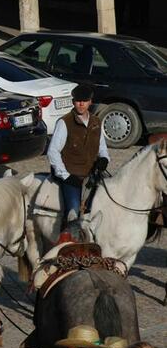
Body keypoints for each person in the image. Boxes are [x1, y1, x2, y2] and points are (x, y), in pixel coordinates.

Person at [47, 84, 109, 242]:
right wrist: (65, 176)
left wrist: (104, 159)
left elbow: (102, 147)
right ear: (73, 102)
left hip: (91, 174)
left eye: (84, 101)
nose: (81, 104)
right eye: (78, 101)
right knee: (73, 212)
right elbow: (53, 151)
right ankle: (70, 245)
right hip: (71, 176)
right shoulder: (64, 122)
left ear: (90, 102)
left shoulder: (96, 122)